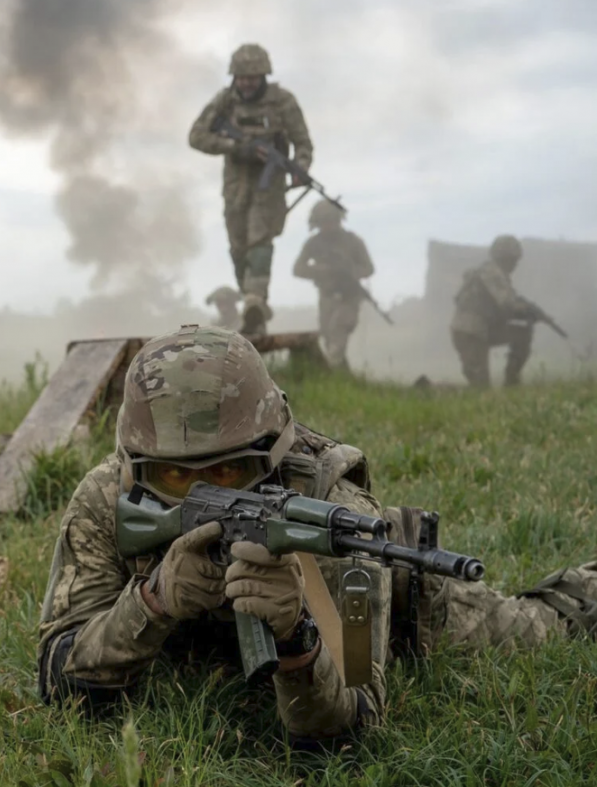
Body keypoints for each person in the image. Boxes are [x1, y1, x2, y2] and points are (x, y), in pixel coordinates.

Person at [37, 324, 597, 740]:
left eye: (230, 471)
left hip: (400, 601)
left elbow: (354, 724)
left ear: (272, 455)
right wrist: (154, 601)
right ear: (135, 467)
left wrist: (294, 635)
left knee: (541, 625)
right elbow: (58, 674)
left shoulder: (327, 509)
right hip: (190, 630)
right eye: (176, 477)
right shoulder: (107, 500)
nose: (204, 492)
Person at [189, 44, 313, 336]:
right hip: (235, 189)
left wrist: (300, 167)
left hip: (268, 189)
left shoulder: (283, 102)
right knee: (238, 248)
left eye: (253, 77)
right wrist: (235, 147)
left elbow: (303, 143)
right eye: (242, 77)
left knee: (260, 241)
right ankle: (252, 308)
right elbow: (196, 136)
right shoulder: (225, 102)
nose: (246, 83)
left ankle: (255, 301)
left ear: (264, 75)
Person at [292, 200, 375, 368]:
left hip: (349, 297)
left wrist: (350, 271)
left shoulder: (353, 241)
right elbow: (298, 269)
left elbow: (368, 268)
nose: (328, 226)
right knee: (329, 339)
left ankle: (333, 372)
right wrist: (321, 270)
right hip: (327, 297)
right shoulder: (314, 243)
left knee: (338, 334)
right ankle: (342, 375)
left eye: (331, 220)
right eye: (323, 222)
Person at [449, 235, 536, 388]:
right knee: (481, 388)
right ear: (505, 258)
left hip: (479, 330)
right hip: (471, 333)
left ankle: (512, 382)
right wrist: (526, 310)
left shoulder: (489, 273)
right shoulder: (492, 273)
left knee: (522, 333)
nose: (515, 264)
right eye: (513, 259)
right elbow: (507, 304)